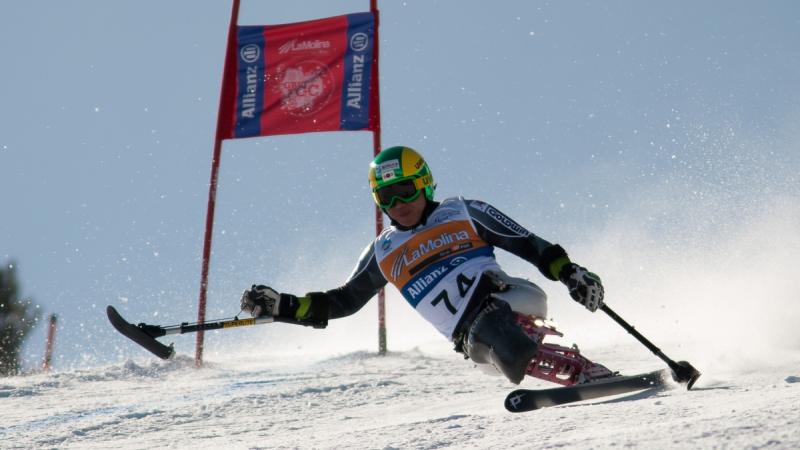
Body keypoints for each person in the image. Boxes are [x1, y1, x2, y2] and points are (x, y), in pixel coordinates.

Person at [241, 146, 612, 385]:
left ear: (425, 185)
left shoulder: (463, 212)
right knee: (493, 341)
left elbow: (528, 243)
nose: (399, 202)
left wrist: (570, 272)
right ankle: (569, 372)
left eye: (407, 189)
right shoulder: (383, 250)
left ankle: (582, 371)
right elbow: (344, 301)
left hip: (510, 299)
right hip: (471, 340)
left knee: (496, 324)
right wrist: (285, 305)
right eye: (387, 196)